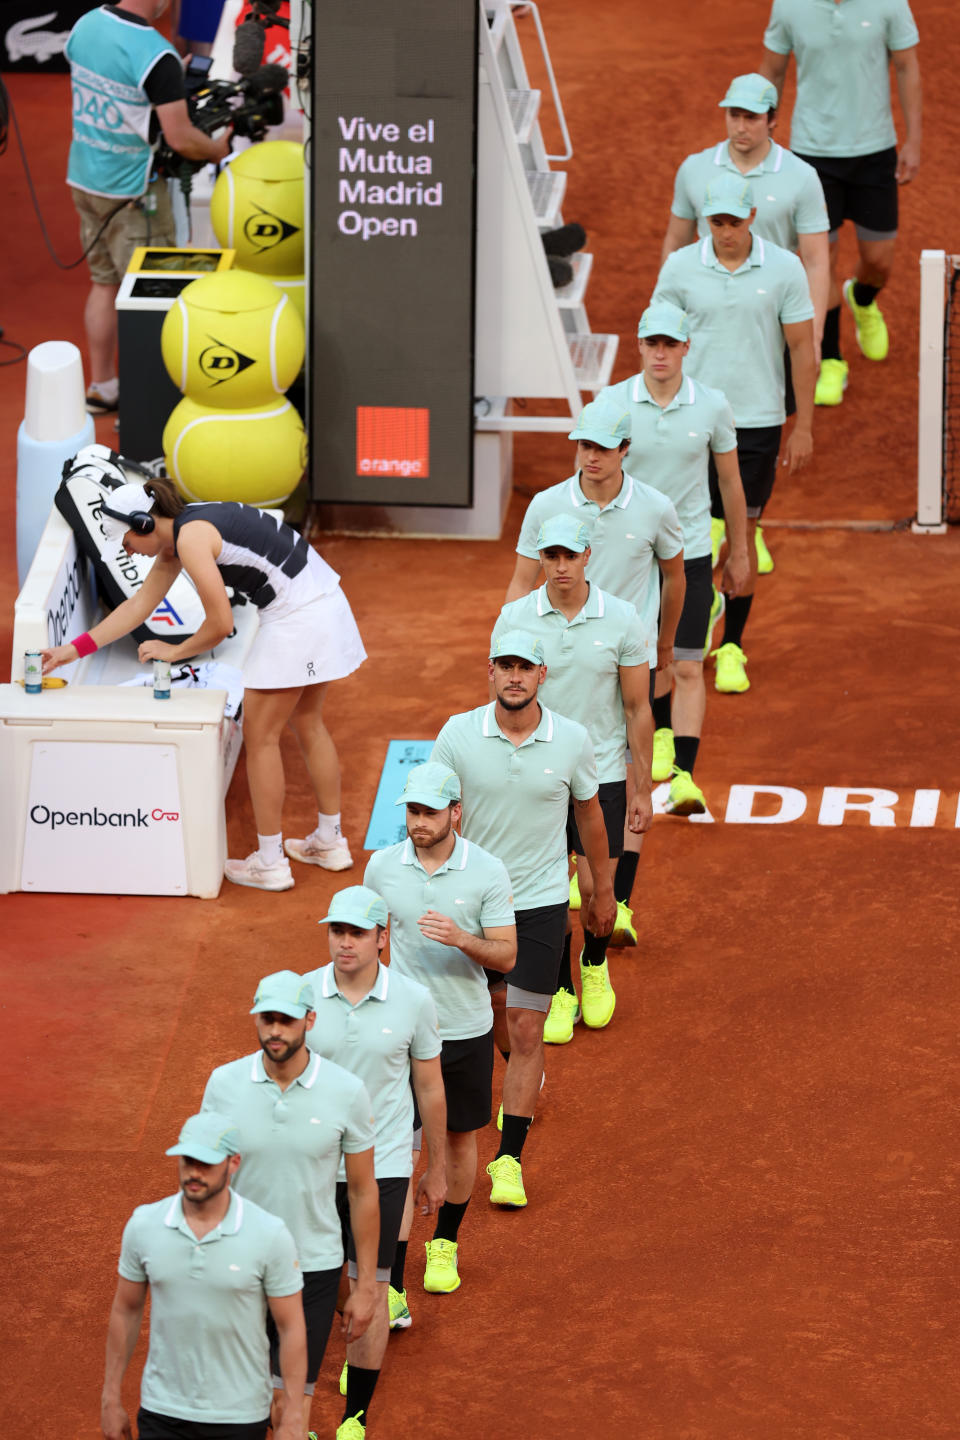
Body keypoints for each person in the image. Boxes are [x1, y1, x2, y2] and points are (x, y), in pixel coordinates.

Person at [41, 478, 366, 890]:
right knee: (308, 722)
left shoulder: (191, 539)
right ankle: (330, 841)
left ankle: (270, 862)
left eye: (123, 539)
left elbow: (220, 624)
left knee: (260, 736)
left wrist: (173, 652)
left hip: (297, 619)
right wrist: (73, 650)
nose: (123, 549)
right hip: (326, 603)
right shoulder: (185, 531)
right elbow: (139, 606)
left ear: (143, 523)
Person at [432, 630, 614, 1209]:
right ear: (490, 672)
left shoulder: (573, 740)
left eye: (525, 667)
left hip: (538, 900)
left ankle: (507, 1158)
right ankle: (523, 1074)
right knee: (494, 1011)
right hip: (473, 900)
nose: (514, 676)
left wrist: (600, 888)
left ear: (542, 675)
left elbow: (588, 814)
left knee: (528, 1025)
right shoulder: (458, 734)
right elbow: (430, 808)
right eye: (504, 666)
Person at [504, 401, 685, 945]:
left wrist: (667, 648)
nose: (591, 457)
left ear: (625, 450)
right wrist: (512, 637)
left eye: (603, 447)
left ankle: (615, 901)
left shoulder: (654, 508)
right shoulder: (546, 505)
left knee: (620, 775)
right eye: (584, 446)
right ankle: (577, 908)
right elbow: (518, 583)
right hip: (555, 652)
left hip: (624, 652)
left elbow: (675, 580)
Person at [652, 171, 815, 694]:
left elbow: (801, 348)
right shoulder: (679, 268)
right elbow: (657, 344)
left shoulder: (786, 268)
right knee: (691, 537)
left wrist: (803, 424)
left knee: (741, 536)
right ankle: (690, 635)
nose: (723, 230)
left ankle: (733, 648)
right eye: (714, 221)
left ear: (750, 218)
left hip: (758, 423)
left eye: (731, 220)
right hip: (689, 420)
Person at [492, 513, 651, 1045]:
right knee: (546, 893)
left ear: (587, 557)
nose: (560, 566)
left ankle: (594, 962)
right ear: (540, 558)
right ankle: (560, 988)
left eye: (569, 556)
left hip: (601, 772)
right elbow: (500, 701)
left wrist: (643, 786)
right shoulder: (514, 618)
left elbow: (636, 707)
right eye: (550, 556)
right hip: (535, 773)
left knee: (594, 887)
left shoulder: (624, 619)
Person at [660, 70, 828, 572]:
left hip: (773, 321)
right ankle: (734, 534)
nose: (741, 126)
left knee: (758, 434)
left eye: (751, 117)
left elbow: (816, 258)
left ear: (772, 121)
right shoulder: (694, 170)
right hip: (712, 312)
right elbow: (675, 239)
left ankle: (746, 528)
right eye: (733, 115)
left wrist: (812, 330)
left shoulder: (800, 177)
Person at [201, 971, 380, 1440]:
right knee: (240, 1404)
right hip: (237, 1264)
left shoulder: (345, 1091)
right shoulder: (224, 1084)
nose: (275, 1030)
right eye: (267, 1019)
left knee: (289, 1407)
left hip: (312, 1268)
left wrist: (363, 1287)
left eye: (286, 1020)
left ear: (310, 1020)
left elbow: (362, 1191)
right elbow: (202, 1178)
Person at [364, 763, 516, 1303]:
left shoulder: (488, 871)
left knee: (457, 1139)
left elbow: (507, 953)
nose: (419, 822)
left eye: (430, 812)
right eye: (412, 811)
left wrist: (461, 939)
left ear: (456, 812)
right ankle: (394, 1283)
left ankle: (445, 1242)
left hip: (465, 1028)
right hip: (399, 1034)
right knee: (398, 1154)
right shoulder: (382, 868)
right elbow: (371, 940)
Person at [302, 886, 446, 1437]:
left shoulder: (413, 1000)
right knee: (314, 1286)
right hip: (313, 1168)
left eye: (357, 932)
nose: (344, 943)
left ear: (383, 939)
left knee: (374, 1286)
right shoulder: (302, 996)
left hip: (381, 1168)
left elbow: (429, 1088)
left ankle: (353, 1420)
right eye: (337, 931)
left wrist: (434, 1166)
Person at [601, 311, 748, 817]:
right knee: (637, 666)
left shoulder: (711, 406)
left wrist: (741, 550)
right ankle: (655, 735)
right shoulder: (613, 404)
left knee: (687, 664)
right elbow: (588, 480)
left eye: (670, 343)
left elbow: (729, 483)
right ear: (639, 347)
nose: (660, 353)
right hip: (629, 559)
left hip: (689, 557)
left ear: (687, 347)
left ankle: (684, 775)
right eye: (651, 343)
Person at [65, 0, 231, 415]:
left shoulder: (84, 26)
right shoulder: (155, 54)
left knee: (103, 284)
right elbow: (181, 139)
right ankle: (154, 405)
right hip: (134, 195)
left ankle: (103, 388)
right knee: (153, 300)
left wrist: (169, 80)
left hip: (85, 179)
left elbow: (115, 86)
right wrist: (217, 150)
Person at [101, 1111, 306, 1440]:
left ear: (234, 1163)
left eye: (206, 1163)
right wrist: (110, 1398)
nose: (194, 1172)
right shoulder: (144, 1225)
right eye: (187, 1161)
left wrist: (293, 1414)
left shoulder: (268, 1234)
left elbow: (291, 1326)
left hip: (240, 1414)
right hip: (162, 1410)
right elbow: (125, 1310)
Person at [760, 0, 921, 406]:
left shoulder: (889, 4)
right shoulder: (789, 7)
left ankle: (862, 298)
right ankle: (832, 358)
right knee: (820, 261)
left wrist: (914, 140)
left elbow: (906, 66)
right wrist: (763, 136)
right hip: (813, 156)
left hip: (875, 153)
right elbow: (773, 70)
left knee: (879, 260)